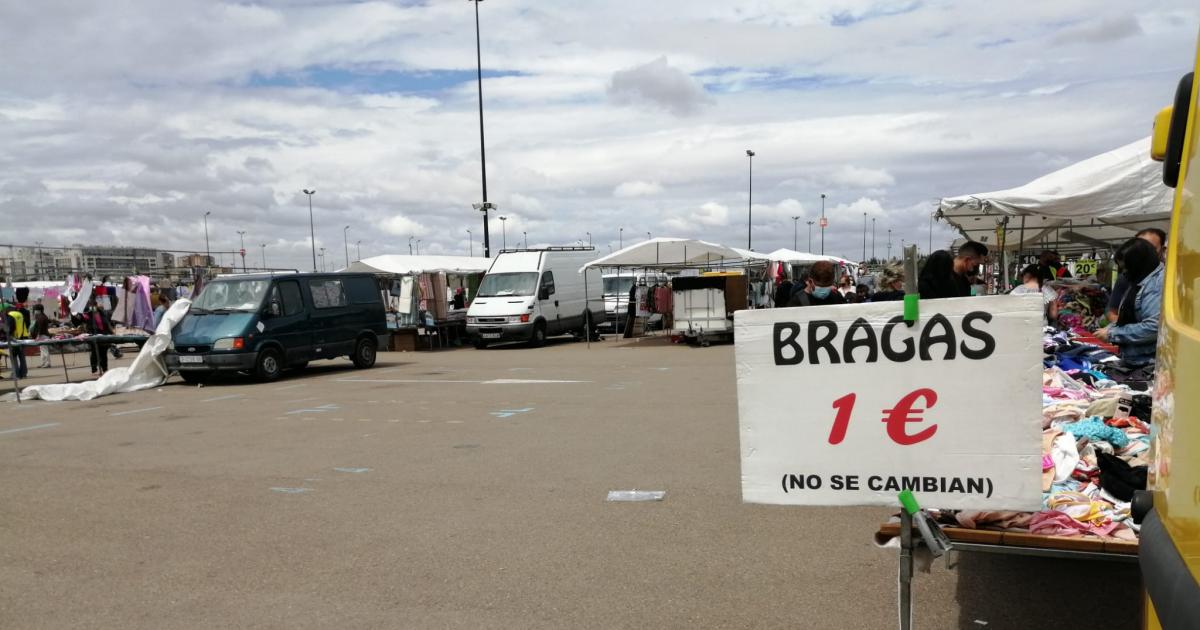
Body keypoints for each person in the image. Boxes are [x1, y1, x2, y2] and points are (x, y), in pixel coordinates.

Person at [1095, 238, 1164, 365]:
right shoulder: (1140, 280)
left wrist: (1112, 333)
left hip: (1148, 362)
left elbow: (1154, 328)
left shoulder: (1157, 284)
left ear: (1138, 264)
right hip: (1135, 358)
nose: (1124, 273)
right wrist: (1111, 328)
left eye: (1126, 268)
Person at [1106, 228, 1166, 323]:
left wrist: (1117, 332)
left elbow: (1153, 326)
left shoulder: (1167, 278)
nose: (1144, 254)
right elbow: (1112, 311)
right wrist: (1120, 329)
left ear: (1163, 250)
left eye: (1151, 248)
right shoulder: (1125, 278)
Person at [919, 241, 988, 299]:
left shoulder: (964, 279)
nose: (974, 269)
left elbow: (969, 297)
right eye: (975, 264)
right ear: (967, 260)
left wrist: (977, 288)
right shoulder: (941, 277)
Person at [84, 297, 114, 376]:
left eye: (94, 305)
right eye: (91, 305)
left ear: (96, 305)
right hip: (94, 335)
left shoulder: (102, 313)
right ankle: (94, 369)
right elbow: (84, 322)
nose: (93, 307)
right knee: (94, 352)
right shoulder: (88, 315)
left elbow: (107, 323)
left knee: (103, 352)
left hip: (104, 335)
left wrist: (111, 332)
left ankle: (105, 368)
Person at [1, 302, 29, 379]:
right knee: (22, 356)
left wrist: (4, 331)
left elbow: (10, 328)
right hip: (23, 337)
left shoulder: (10, 316)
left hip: (14, 338)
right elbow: (26, 324)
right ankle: (24, 373)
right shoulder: (19, 314)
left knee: (13, 356)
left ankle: (16, 373)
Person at [29, 303, 53, 369]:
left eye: (35, 310)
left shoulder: (41, 317)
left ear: (38, 310)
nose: (34, 311)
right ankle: (44, 363)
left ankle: (47, 363)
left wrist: (37, 335)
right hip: (43, 335)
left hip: (43, 335)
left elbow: (39, 327)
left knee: (44, 349)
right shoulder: (42, 316)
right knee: (42, 349)